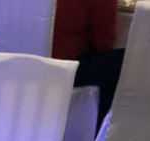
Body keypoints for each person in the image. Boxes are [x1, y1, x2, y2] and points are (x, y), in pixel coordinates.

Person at [52, 0, 125, 130]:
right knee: (125, 62)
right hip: (65, 67)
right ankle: (99, 133)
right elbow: (103, 44)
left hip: (23, 61)